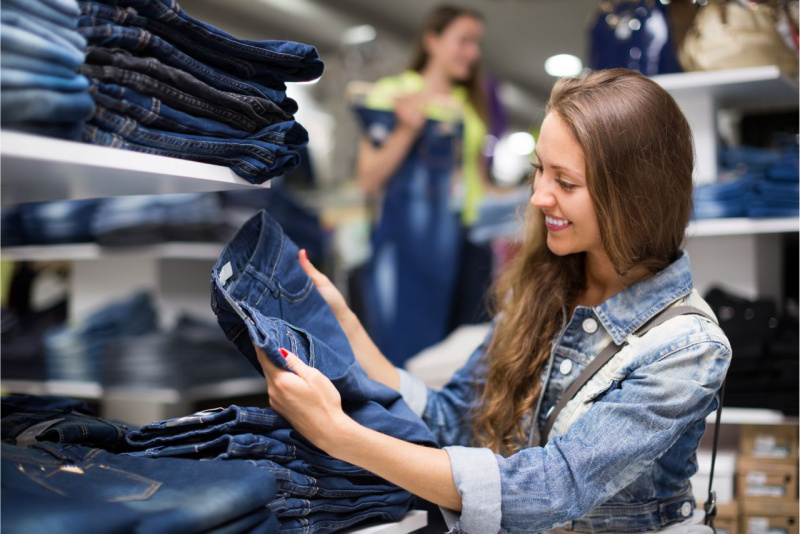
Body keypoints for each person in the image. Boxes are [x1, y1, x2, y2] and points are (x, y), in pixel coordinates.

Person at [254, 69, 732, 534]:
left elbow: (550, 488)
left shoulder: (686, 347)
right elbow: (452, 419)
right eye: (539, 170)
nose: (540, 196)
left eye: (566, 183)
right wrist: (344, 324)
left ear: (635, 197)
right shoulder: (547, 290)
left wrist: (338, 435)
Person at [353, 5, 498, 366]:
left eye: (476, 43)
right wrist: (407, 129)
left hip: (469, 242)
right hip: (409, 245)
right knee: (405, 349)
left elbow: (479, 184)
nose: (473, 53)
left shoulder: (469, 106)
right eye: (463, 41)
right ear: (432, 41)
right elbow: (368, 179)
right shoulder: (394, 93)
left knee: (458, 355)